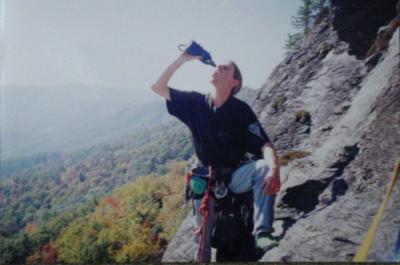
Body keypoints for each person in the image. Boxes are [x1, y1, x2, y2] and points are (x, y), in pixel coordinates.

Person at [151, 52, 281, 262]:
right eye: (217, 66)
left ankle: (263, 233)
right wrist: (182, 59)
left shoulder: (241, 111)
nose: (217, 68)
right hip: (206, 178)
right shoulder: (195, 103)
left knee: (265, 168)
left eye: (225, 68)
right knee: (202, 234)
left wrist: (275, 168)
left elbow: (264, 143)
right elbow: (158, 87)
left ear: (234, 82)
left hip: (236, 174)